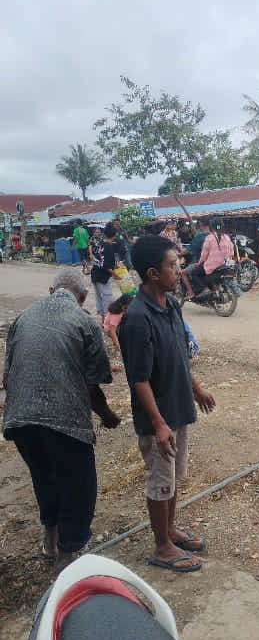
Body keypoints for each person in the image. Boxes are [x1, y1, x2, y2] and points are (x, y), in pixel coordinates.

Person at [2, 269, 120, 575]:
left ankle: (50, 539)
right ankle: (66, 557)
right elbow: (92, 386)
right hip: (65, 421)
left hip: (19, 420)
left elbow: (7, 378)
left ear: (51, 290)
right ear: (83, 297)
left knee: (45, 476)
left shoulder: (23, 317)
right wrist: (107, 416)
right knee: (78, 484)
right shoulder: (85, 322)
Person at [118, 235, 216, 573]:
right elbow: (139, 379)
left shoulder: (171, 305)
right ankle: (161, 547)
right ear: (153, 273)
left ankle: (170, 529)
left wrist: (196, 389)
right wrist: (158, 424)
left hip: (177, 407)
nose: (179, 270)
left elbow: (180, 354)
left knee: (173, 476)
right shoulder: (137, 318)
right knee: (160, 481)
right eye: (172, 265)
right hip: (157, 417)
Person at [184, 218, 234, 298]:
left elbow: (204, 254)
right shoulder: (226, 237)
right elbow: (232, 252)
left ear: (211, 227)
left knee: (194, 273)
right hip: (225, 265)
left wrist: (199, 263)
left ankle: (205, 289)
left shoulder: (210, 237)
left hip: (213, 266)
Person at [91, 223, 121, 325]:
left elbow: (100, 259)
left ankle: (103, 321)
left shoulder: (100, 244)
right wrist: (116, 275)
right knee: (107, 298)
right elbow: (107, 266)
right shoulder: (109, 246)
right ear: (114, 235)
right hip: (102, 276)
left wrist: (115, 265)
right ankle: (107, 324)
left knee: (100, 298)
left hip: (95, 274)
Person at [180, 219, 210, 297]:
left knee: (183, 273)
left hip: (204, 262)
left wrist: (179, 254)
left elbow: (190, 249)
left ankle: (191, 292)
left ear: (200, 224)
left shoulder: (200, 236)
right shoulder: (216, 234)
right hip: (218, 262)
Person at [103, 293, 132, 371]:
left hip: (113, 331)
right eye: (126, 308)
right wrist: (117, 345)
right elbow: (112, 331)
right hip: (108, 334)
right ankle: (112, 366)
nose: (127, 310)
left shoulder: (117, 308)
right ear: (121, 304)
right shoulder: (116, 314)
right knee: (113, 351)